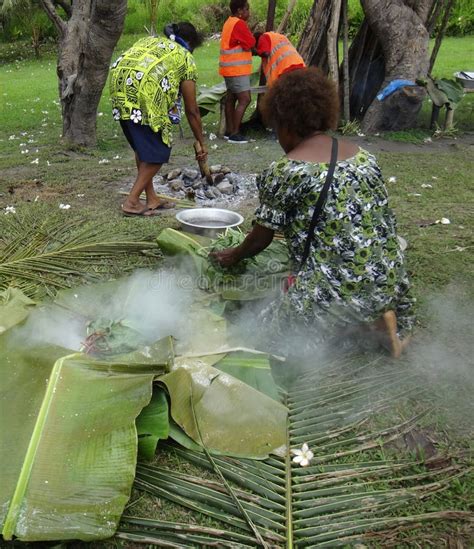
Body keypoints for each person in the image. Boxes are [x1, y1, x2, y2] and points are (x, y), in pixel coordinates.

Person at [210, 68, 414, 358]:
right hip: (389, 279)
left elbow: (260, 239)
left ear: (285, 123)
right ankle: (378, 321)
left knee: (268, 336)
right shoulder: (363, 156)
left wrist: (233, 255)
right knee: (328, 309)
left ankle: (359, 324)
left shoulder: (286, 170)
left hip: (339, 288)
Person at [110, 23, 208, 216]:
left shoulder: (151, 40)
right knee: (158, 151)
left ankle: (152, 198)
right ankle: (131, 202)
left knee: (143, 148)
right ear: (191, 43)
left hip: (120, 85)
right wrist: (201, 142)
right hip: (144, 91)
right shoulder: (185, 58)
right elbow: (192, 109)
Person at [219, 0, 255, 144]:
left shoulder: (229, 22)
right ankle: (235, 133)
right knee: (245, 99)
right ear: (240, 10)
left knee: (231, 98)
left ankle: (229, 131)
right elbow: (251, 42)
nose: (248, 13)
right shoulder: (239, 24)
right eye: (247, 9)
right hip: (237, 69)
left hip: (228, 68)